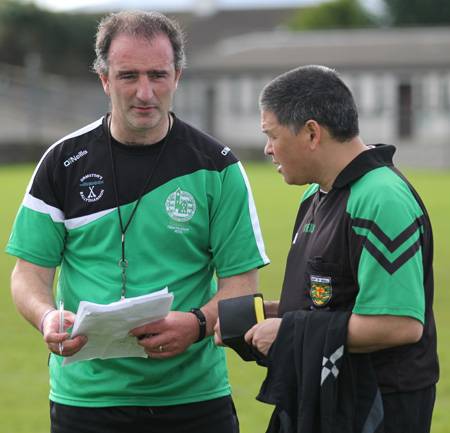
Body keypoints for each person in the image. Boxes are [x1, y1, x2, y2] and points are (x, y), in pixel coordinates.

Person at [5, 10, 269, 433]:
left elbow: (242, 282)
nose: (145, 92)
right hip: (87, 401)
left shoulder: (218, 168)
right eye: (128, 76)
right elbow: (28, 274)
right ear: (105, 80)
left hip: (194, 398)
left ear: (177, 76)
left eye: (158, 75)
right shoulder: (62, 163)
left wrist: (198, 324)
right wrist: (45, 316)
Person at [227, 65, 438, 432]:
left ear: (311, 133)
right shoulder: (316, 193)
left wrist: (289, 331)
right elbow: (332, 298)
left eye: (272, 135)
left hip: (376, 407)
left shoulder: (381, 199)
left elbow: (399, 324)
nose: (268, 149)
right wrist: (270, 314)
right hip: (326, 394)